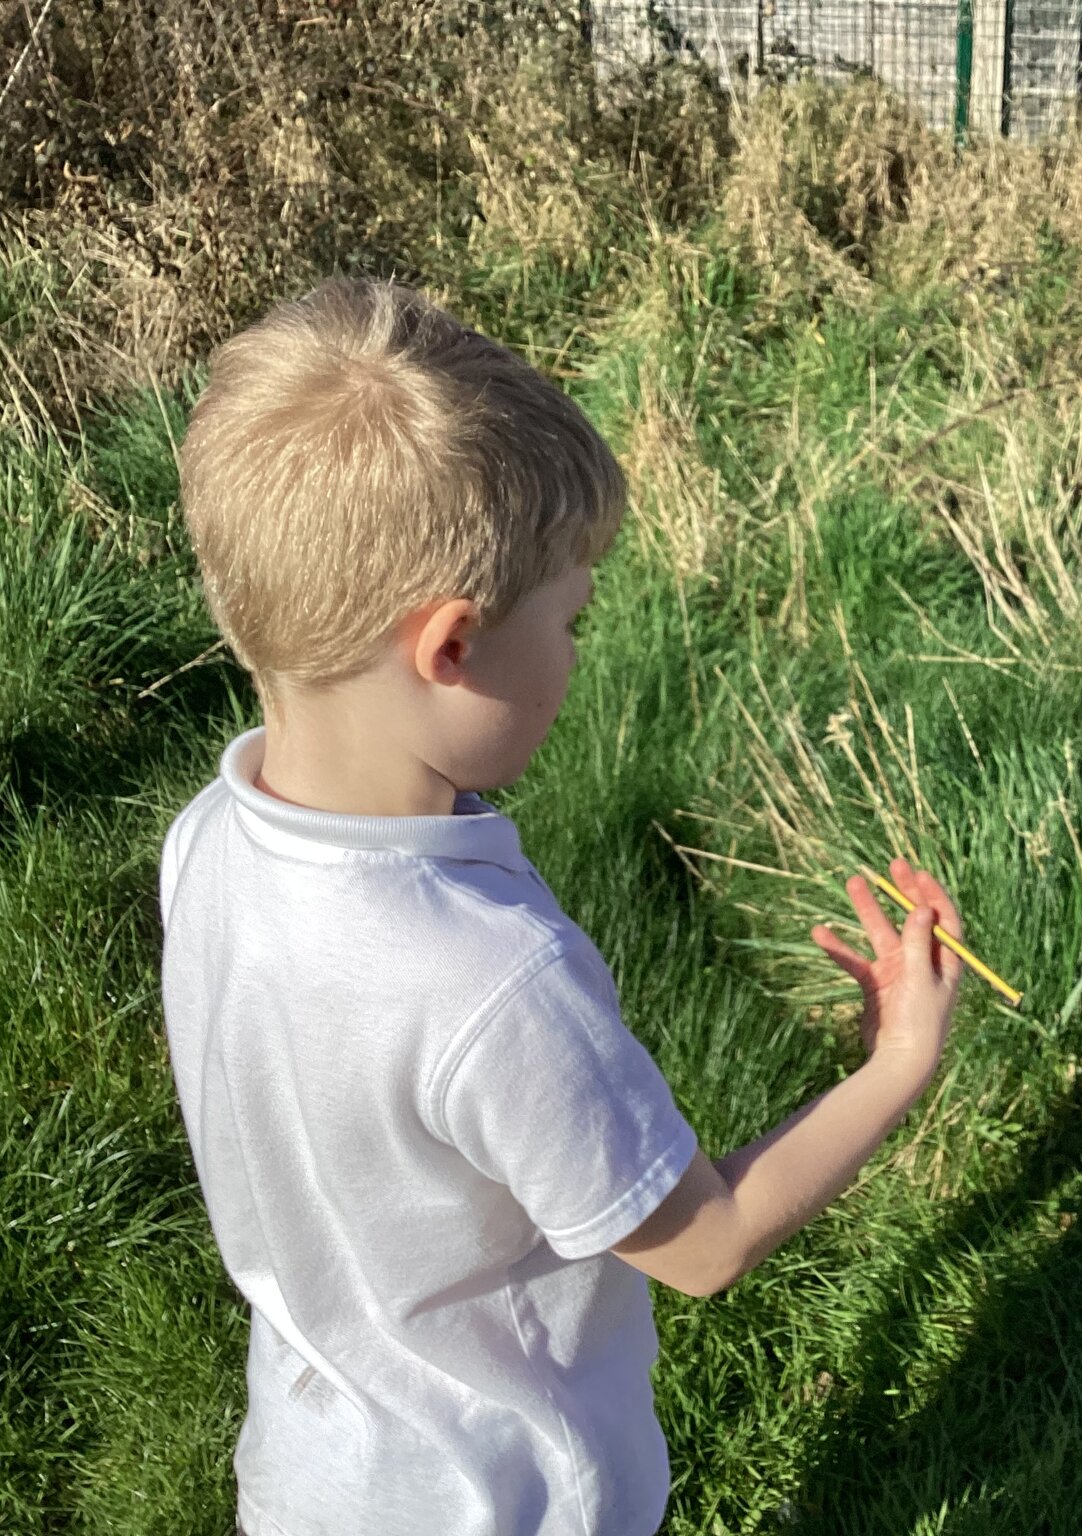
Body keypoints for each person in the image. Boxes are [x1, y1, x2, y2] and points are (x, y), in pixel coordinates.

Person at [159, 278, 965, 1536]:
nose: (580, 656)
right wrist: (899, 1062)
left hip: (311, 1480)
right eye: (572, 619)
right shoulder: (490, 981)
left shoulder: (209, 836)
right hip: (505, 1499)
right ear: (451, 648)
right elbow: (704, 1244)